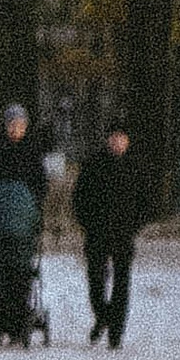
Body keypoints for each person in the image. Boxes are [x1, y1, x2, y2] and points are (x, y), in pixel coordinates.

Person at [74, 125, 146, 347]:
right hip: (97, 232)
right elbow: (80, 198)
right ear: (108, 140)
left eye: (122, 139)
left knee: (122, 284)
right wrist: (87, 223)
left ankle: (116, 332)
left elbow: (145, 200)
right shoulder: (94, 165)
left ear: (128, 141)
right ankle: (103, 315)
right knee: (95, 280)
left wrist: (135, 224)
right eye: (114, 138)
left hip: (124, 233)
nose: (117, 143)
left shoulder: (134, 167)